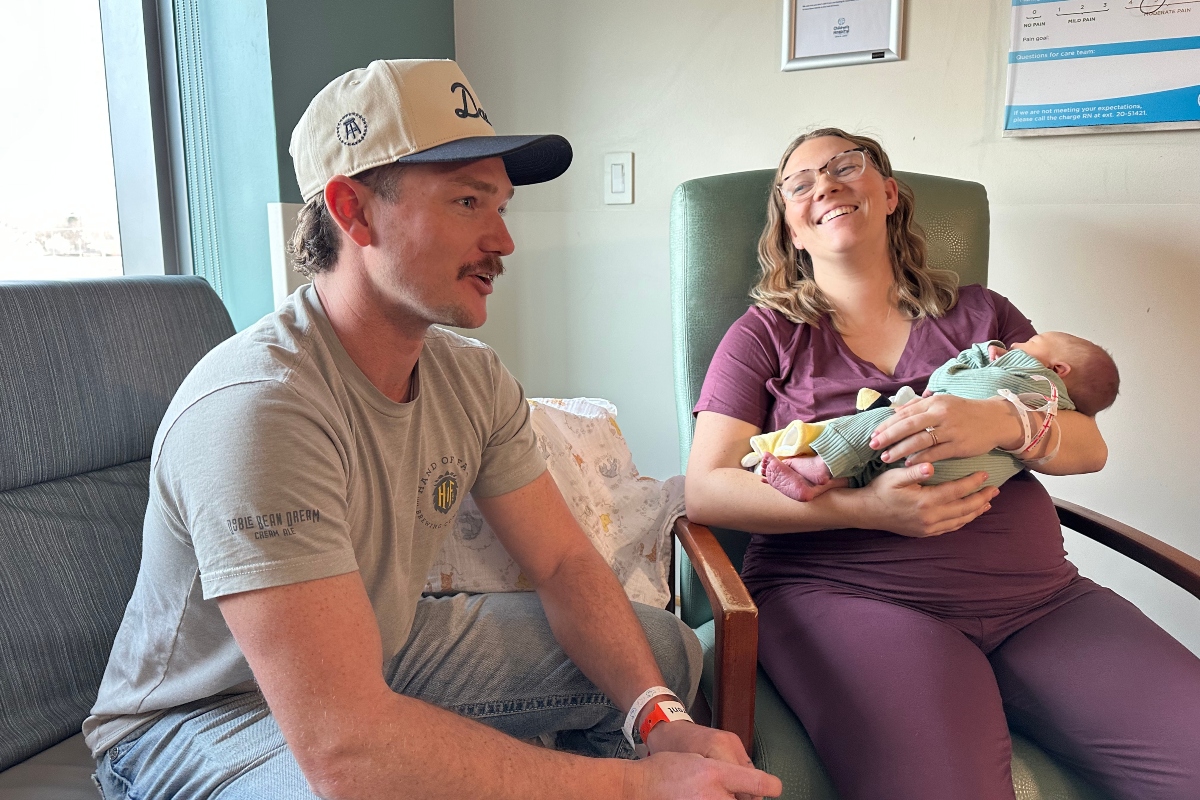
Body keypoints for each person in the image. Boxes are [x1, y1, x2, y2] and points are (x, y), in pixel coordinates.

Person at [84, 59, 780, 800]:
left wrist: (659, 721)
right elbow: (346, 752)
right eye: (468, 201)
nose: (503, 241)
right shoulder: (260, 409)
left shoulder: (470, 378)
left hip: (373, 653)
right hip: (203, 716)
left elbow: (563, 565)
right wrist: (633, 787)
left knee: (661, 650)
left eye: (502, 206)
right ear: (351, 211)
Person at [685, 127, 1200, 800]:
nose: (827, 186)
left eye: (847, 167)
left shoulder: (984, 314)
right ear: (791, 228)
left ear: (890, 194)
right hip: (849, 596)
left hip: (1040, 601)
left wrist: (1005, 421)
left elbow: (1089, 447)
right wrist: (868, 508)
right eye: (801, 183)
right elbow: (707, 491)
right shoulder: (763, 336)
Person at [753, 332, 1120, 502]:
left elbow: (944, 384)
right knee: (880, 464)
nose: (1018, 344)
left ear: (1059, 368)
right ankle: (829, 487)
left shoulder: (1025, 370)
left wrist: (997, 414)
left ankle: (820, 469)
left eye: (1031, 344)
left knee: (882, 421)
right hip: (965, 487)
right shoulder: (1059, 403)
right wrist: (866, 511)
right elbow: (708, 493)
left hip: (935, 459)